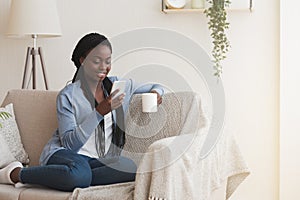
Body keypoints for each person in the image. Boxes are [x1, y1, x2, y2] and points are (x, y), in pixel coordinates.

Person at [0, 32, 164, 191]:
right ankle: (15, 174)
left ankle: (64, 178)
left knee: (130, 166)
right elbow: (70, 145)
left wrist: (156, 94)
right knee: (79, 174)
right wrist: (99, 112)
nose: (104, 67)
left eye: (107, 61)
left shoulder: (117, 87)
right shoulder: (68, 95)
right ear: (83, 61)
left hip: (96, 161)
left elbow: (156, 85)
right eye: (96, 61)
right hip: (64, 155)